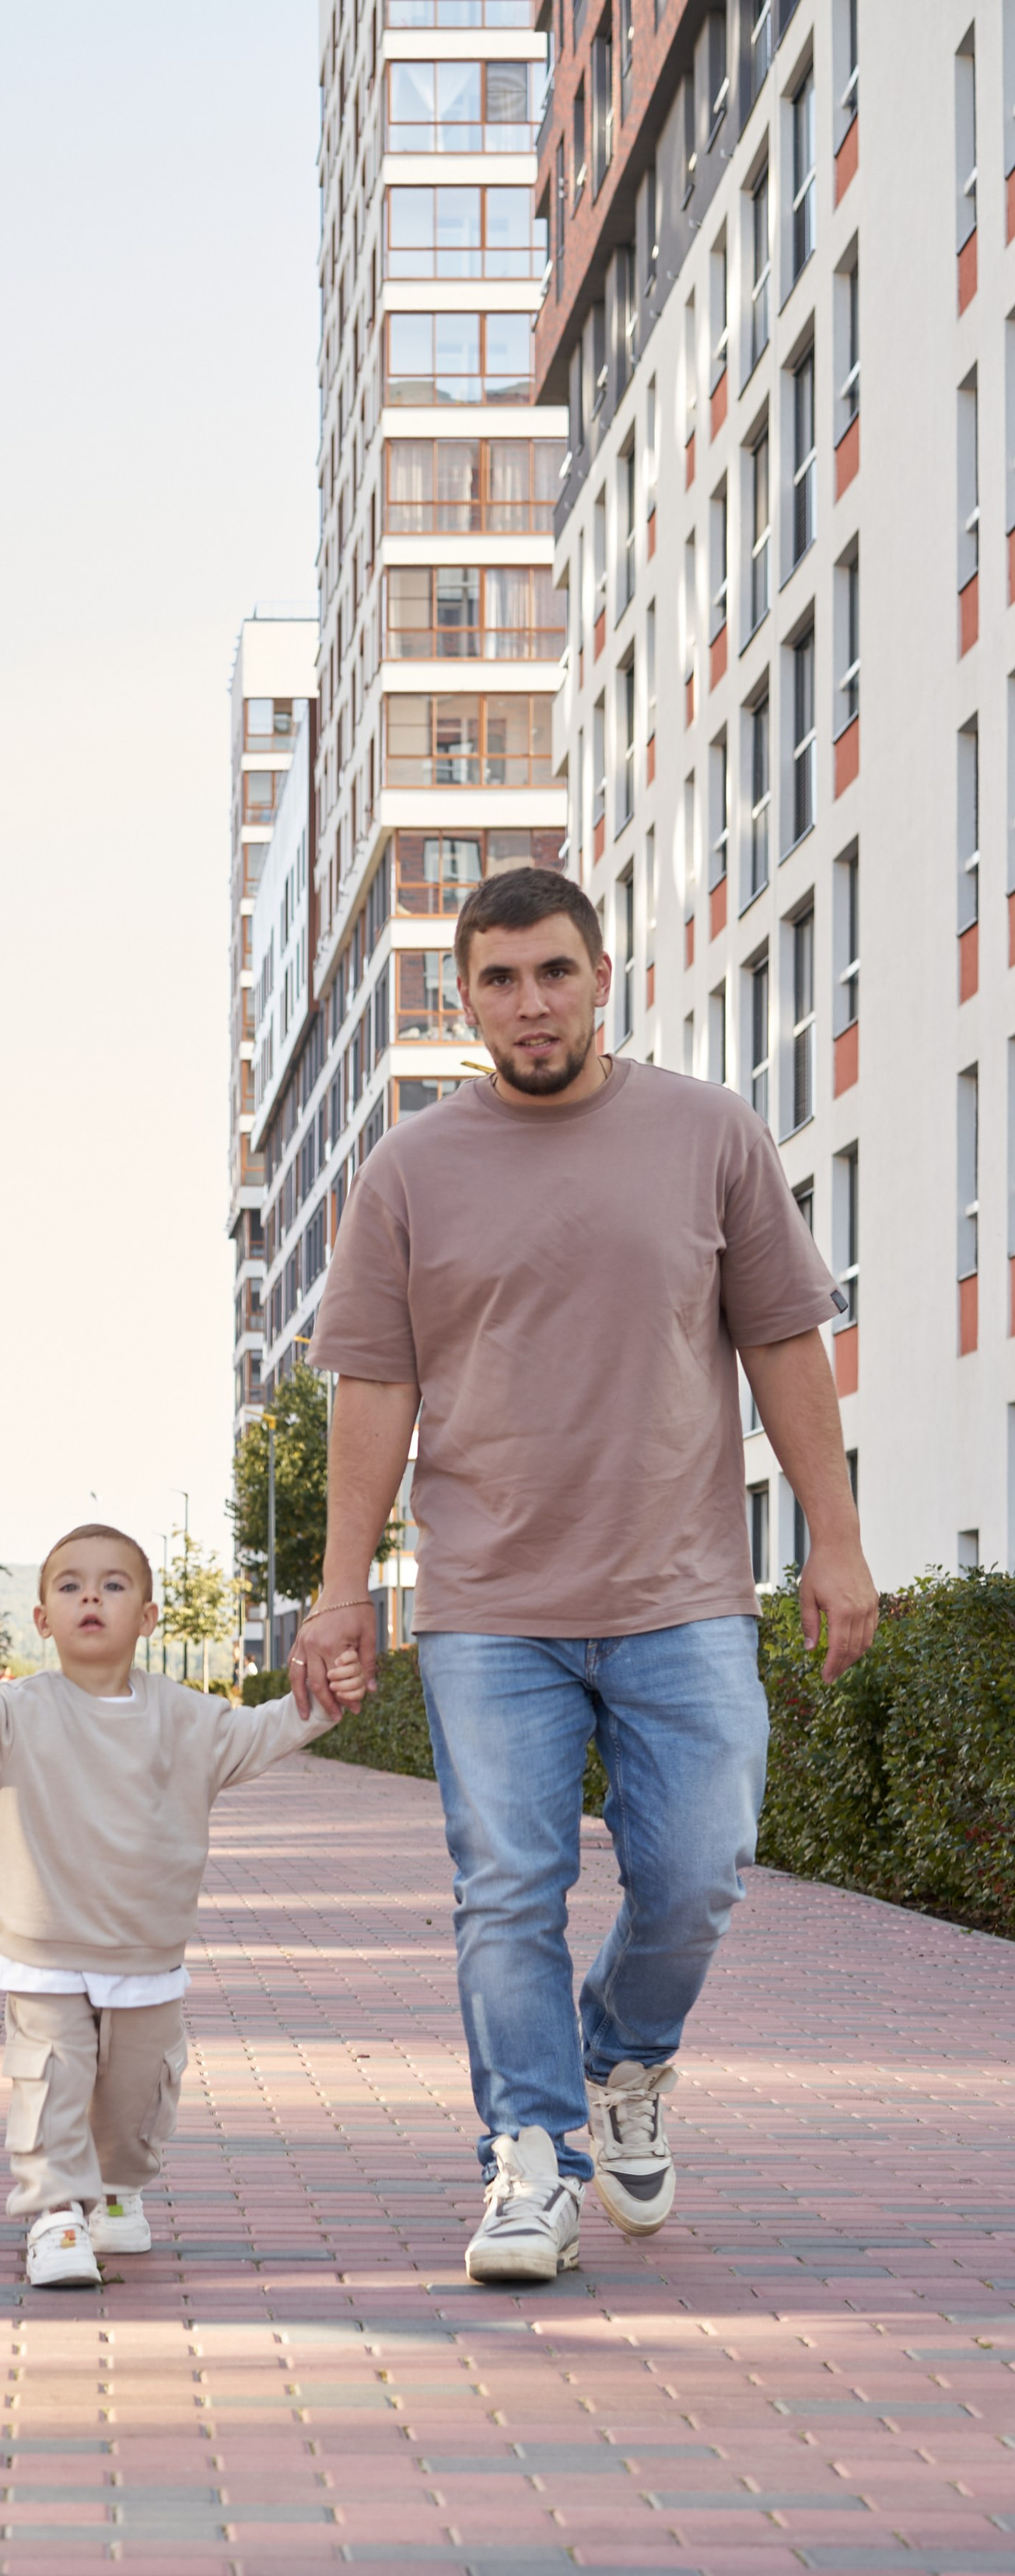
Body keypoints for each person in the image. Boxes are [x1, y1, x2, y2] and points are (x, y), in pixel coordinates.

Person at [292, 865, 877, 2287]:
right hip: (490, 1601)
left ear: (603, 974)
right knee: (507, 1889)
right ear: (462, 998)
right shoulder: (409, 1170)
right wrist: (341, 1585)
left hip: (683, 1590)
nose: (530, 1003)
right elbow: (372, 1385)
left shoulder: (707, 1133)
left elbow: (786, 1342)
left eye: (553, 972)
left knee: (703, 1868)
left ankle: (625, 2056)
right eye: (498, 980)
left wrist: (837, 1538)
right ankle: (532, 2161)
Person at [0, 1524, 331, 2287]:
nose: (89, 1596)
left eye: (113, 1584)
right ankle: (57, 2214)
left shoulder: (189, 1720)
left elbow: (267, 1729)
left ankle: (118, 2189)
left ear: (148, 1616)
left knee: (138, 2099)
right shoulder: (9, 1716)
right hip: (44, 1950)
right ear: (42, 1619)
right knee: (52, 2081)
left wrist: (324, 1699)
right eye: (68, 1585)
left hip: (146, 1954)